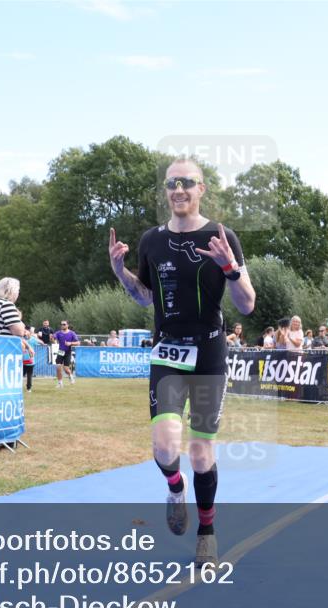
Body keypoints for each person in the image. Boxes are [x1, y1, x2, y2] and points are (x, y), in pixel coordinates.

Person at [108, 157, 255, 566]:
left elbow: (247, 304)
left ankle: (206, 531)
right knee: (164, 445)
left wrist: (229, 268)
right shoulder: (151, 240)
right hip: (168, 350)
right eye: (172, 184)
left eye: (188, 183)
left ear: (202, 189)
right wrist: (121, 274)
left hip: (209, 350)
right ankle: (176, 490)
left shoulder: (221, 236)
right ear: (166, 190)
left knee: (201, 454)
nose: (179, 190)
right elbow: (146, 297)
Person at [53, 320, 79, 387]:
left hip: (68, 352)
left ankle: (70, 376)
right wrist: (53, 339)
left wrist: (70, 343)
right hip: (61, 351)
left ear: (67, 325)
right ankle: (60, 383)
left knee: (66, 369)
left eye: (64, 324)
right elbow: (53, 337)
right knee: (58, 367)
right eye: (61, 324)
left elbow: (78, 343)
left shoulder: (72, 333)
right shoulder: (58, 333)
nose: (62, 325)